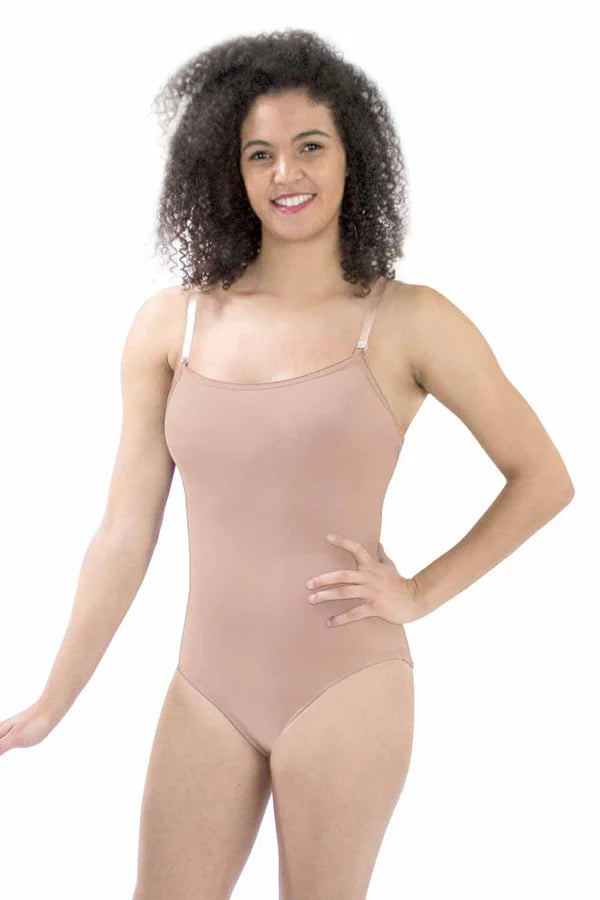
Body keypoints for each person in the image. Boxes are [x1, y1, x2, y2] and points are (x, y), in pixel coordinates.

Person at [0, 28, 575, 900]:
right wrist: (54, 699)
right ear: (227, 171)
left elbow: (543, 477)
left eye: (310, 147)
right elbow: (123, 531)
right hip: (205, 691)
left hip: (348, 682)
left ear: (353, 157)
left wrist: (420, 592)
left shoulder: (410, 321)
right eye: (259, 154)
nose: (286, 174)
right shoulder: (172, 325)